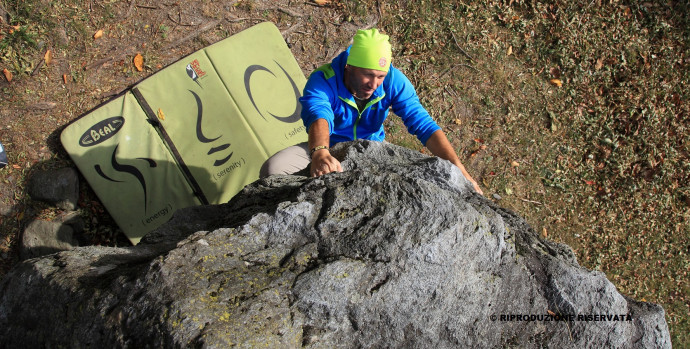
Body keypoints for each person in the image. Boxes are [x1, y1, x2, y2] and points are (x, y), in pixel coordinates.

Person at [261, 28, 483, 195]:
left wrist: (459, 168)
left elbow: (423, 124)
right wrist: (320, 152)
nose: (374, 84)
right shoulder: (324, 79)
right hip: (329, 146)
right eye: (367, 75)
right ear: (349, 66)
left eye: (380, 76)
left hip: (372, 149)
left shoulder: (393, 80)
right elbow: (318, 114)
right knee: (274, 168)